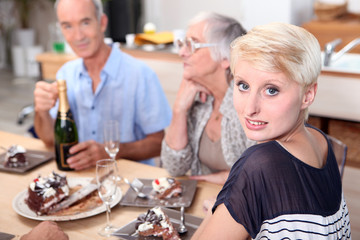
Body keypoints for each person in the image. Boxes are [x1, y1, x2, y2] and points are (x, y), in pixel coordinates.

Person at [192, 22, 351, 239]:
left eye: (271, 90)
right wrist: (228, 203)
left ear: (308, 95)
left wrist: (217, 211)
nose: (250, 109)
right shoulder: (319, 140)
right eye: (243, 85)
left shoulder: (260, 163)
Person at [33, 0, 171, 169]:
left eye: (85, 22)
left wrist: (112, 151)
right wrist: (41, 110)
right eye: (67, 26)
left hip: (129, 181)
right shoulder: (65, 74)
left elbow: (159, 143)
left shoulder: (140, 74)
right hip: (82, 179)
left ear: (102, 22)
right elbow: (49, 139)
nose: (78, 36)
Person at [160, 12, 255, 185]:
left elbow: (264, 174)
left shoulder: (249, 104)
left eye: (192, 44)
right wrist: (179, 109)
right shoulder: (199, 101)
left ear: (226, 57)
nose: (182, 52)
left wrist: (229, 178)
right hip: (202, 203)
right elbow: (174, 167)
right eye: (182, 44)